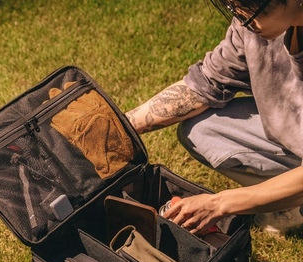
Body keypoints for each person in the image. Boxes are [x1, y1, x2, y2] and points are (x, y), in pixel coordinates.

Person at [125, 0, 303, 236]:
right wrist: (120, 126)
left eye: (249, 8)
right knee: (201, 129)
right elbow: (208, 82)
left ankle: (288, 195)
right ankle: (288, 202)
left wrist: (220, 203)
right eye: (232, 6)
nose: (240, 16)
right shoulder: (251, 25)